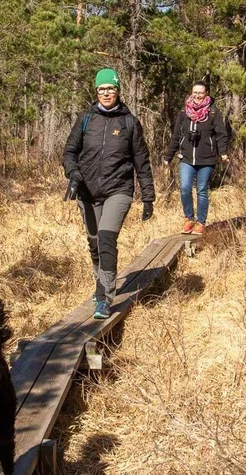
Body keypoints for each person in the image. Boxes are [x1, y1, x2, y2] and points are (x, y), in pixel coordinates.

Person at [62, 68, 156, 319]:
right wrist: (73, 173)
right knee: (94, 242)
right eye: (102, 89)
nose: (106, 93)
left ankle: (105, 297)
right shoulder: (85, 119)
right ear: (96, 91)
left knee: (106, 238)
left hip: (118, 190)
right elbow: (69, 152)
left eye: (110, 88)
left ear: (118, 91)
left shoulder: (129, 122)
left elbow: (142, 161)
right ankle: (99, 283)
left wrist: (148, 196)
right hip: (87, 192)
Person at [163, 81, 230, 235]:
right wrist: (169, 155)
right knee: (185, 188)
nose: (198, 95)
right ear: (191, 93)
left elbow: (221, 134)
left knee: (202, 190)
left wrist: (223, 152)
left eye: (201, 92)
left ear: (206, 94)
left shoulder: (213, 112)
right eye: (195, 92)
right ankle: (189, 218)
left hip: (207, 159)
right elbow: (176, 135)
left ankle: (201, 222)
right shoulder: (184, 112)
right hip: (186, 158)